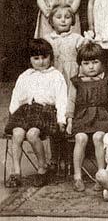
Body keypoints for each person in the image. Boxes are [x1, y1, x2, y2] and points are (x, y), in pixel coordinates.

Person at [4, 39, 67, 188]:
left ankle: (42, 168)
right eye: (36, 58)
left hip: (45, 112)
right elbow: (16, 96)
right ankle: (16, 172)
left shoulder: (56, 75)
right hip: (25, 111)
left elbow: (61, 99)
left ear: (50, 57)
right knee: (17, 133)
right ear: (30, 59)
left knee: (32, 134)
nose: (41, 62)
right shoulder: (25, 75)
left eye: (44, 57)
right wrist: (13, 114)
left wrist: (61, 119)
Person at [67, 43, 108, 192]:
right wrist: (70, 120)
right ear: (80, 64)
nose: (91, 67)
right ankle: (77, 176)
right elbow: (71, 102)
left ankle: (101, 175)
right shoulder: (76, 82)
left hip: (102, 116)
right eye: (86, 63)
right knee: (80, 138)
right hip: (82, 117)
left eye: (95, 62)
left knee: (99, 137)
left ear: (102, 63)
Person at [43, 4, 88, 90]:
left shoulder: (77, 38)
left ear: (72, 20)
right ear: (51, 21)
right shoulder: (47, 39)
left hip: (72, 73)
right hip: (54, 71)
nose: (63, 20)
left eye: (67, 17)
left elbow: (85, 57)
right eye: (59, 17)